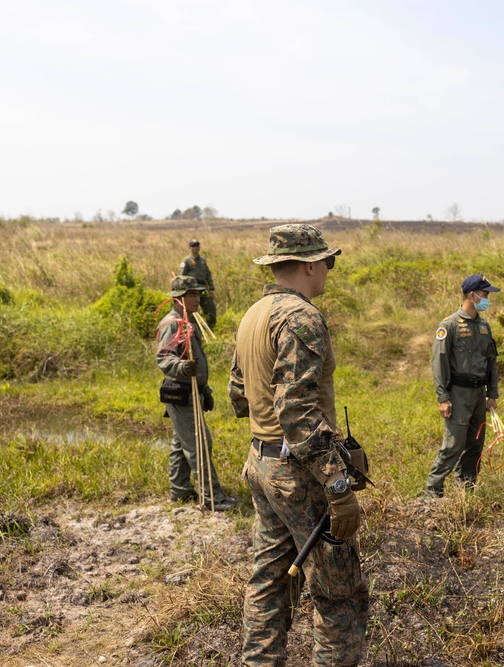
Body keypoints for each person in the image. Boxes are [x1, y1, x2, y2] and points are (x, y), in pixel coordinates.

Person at [228, 224, 368, 666]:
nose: (328, 269)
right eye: (327, 261)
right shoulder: (301, 318)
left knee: (269, 583)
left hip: (262, 463)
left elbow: (238, 392)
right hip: (299, 473)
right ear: (309, 264)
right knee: (338, 594)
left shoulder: (254, 314)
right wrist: (337, 485)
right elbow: (297, 411)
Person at [156, 275, 237, 510]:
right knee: (199, 443)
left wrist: (205, 390)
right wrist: (181, 367)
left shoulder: (189, 321)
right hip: (181, 393)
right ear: (179, 299)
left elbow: (197, 360)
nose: (197, 299)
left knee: (181, 443)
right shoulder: (172, 323)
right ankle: (212, 498)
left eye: (198, 294)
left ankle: (180, 490)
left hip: (193, 392)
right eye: (192, 295)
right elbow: (164, 357)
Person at [424, 273, 500, 498]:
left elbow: (491, 363)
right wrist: (443, 397)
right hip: (458, 394)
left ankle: (465, 492)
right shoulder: (449, 325)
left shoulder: (484, 327)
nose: (487, 299)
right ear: (471, 295)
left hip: (478, 395)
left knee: (475, 445)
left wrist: (492, 394)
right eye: (485, 294)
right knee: (453, 446)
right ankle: (432, 492)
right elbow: (439, 363)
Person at [178, 239, 217, 329]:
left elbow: (208, 275)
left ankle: (211, 328)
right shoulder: (186, 261)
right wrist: (183, 291)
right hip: (191, 288)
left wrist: (211, 288)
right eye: (193, 246)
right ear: (190, 248)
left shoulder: (202, 260)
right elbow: (182, 276)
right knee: (192, 311)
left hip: (202, 287)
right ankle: (194, 329)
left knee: (211, 309)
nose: (196, 248)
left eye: (197, 246)